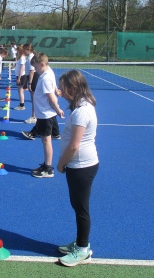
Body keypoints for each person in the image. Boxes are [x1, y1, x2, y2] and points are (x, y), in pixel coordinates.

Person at [56, 70, 99, 267]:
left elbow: (74, 145)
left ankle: (82, 250)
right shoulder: (83, 105)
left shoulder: (82, 111)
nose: (61, 93)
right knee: (78, 205)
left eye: (63, 89)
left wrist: (60, 163)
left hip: (81, 166)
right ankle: (81, 242)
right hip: (80, 165)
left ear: (72, 88)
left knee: (81, 208)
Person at [30, 53, 64, 178]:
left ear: (42, 64)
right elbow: (53, 88)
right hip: (44, 112)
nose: (35, 70)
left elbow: (50, 97)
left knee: (46, 141)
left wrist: (58, 109)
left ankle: (48, 169)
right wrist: (56, 90)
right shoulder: (49, 72)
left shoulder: (45, 78)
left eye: (36, 67)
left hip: (45, 114)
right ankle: (46, 165)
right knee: (46, 140)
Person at [23, 43, 37, 124]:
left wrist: (30, 83)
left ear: (27, 49)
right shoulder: (30, 57)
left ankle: (34, 117)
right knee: (34, 99)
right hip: (32, 77)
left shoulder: (31, 57)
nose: (23, 51)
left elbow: (32, 71)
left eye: (24, 49)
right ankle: (34, 116)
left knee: (34, 99)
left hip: (33, 78)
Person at [13, 45, 26, 110]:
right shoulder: (20, 57)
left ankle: (22, 105)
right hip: (19, 75)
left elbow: (22, 68)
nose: (17, 52)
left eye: (17, 50)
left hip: (21, 76)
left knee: (20, 91)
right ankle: (21, 104)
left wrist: (19, 78)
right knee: (20, 91)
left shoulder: (22, 58)